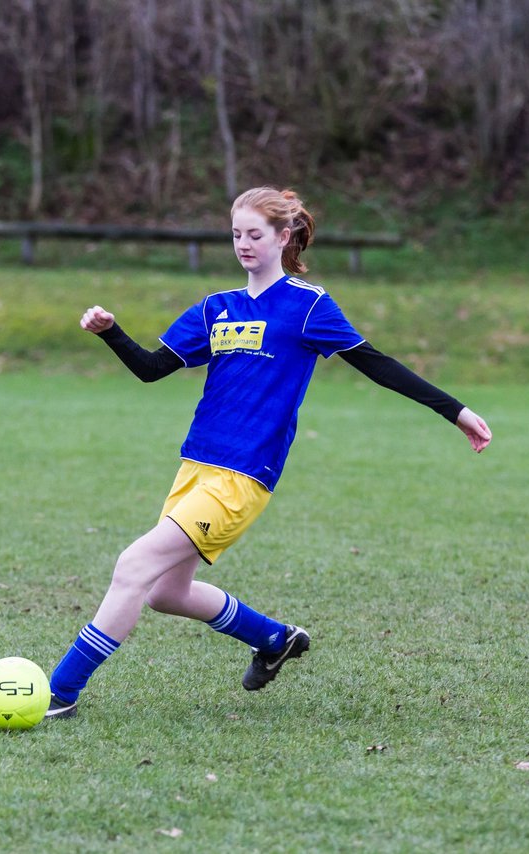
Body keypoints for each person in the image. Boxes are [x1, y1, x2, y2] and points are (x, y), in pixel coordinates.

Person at [44, 187, 492, 718]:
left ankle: (59, 693)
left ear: (283, 237)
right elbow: (150, 368)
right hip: (196, 467)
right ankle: (275, 640)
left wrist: (455, 411)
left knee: (133, 564)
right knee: (166, 592)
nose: (243, 244)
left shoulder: (308, 307)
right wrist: (111, 332)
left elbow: (377, 363)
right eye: (236, 234)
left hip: (242, 476)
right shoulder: (216, 308)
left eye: (255, 234)